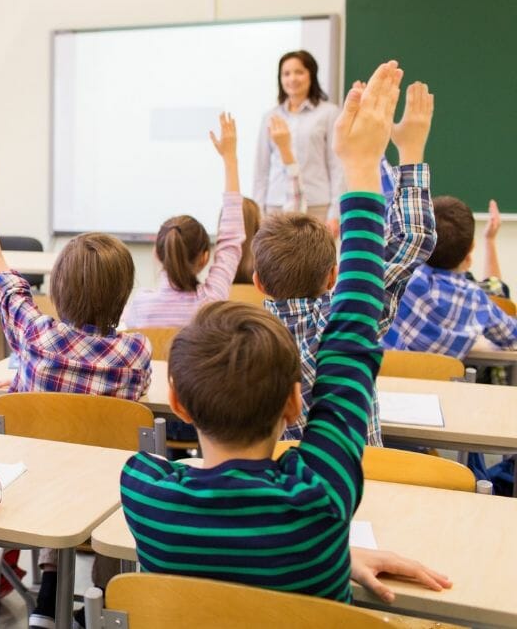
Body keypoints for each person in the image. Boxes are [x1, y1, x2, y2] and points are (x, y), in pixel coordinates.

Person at [122, 61, 450, 603]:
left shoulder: (143, 491)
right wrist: (370, 166)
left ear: (176, 400)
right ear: (297, 403)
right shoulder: (323, 498)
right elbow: (355, 328)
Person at [0, 139, 149, 626]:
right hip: (107, 496)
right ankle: (100, 597)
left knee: (58, 458)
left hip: (34, 491)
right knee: (100, 477)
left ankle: (50, 586)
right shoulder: (137, 352)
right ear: (124, 293)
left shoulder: (36, 336)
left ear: (57, 288)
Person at [253, 80, 435, 446]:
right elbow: (412, 238)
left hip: (280, 496)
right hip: (358, 494)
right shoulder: (349, 319)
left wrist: (288, 159)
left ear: (257, 281)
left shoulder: (241, 342)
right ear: (335, 276)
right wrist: (410, 150)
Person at [124, 113, 246, 328]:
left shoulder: (140, 306)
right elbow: (231, 239)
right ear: (204, 258)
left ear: (157, 253)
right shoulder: (211, 303)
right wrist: (230, 159)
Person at [384, 195, 517, 359]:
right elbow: (513, 337)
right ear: (471, 250)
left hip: (383, 379)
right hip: (440, 382)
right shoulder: (476, 300)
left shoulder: (399, 277)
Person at [253, 50, 342, 222]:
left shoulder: (329, 113)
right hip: (276, 205)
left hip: (317, 205)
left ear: (311, 75)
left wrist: (335, 211)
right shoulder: (270, 117)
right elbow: (261, 169)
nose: (292, 78)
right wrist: (258, 210)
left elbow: (336, 166)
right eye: (286, 74)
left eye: (299, 72)